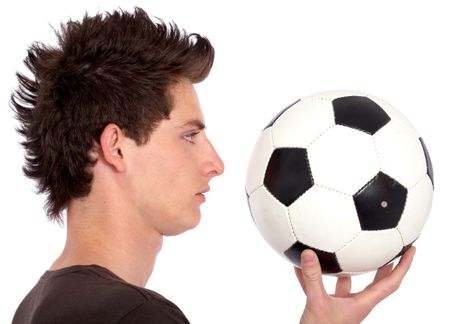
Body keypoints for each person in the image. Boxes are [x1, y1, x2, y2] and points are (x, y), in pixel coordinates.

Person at [11, 7, 415, 324]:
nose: (216, 164)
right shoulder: (135, 317)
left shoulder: (34, 308)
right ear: (116, 148)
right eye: (189, 135)